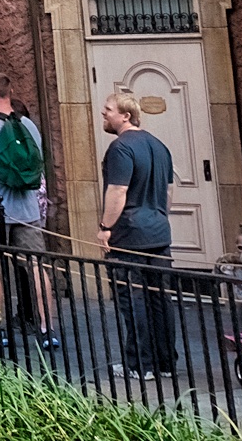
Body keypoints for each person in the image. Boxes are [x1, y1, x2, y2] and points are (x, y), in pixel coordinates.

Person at [0, 74, 54, 344]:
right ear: (11, 91)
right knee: (36, 265)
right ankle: (47, 328)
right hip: (26, 210)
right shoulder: (29, 126)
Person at [98, 89, 179, 379]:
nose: (103, 113)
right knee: (160, 298)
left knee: (133, 298)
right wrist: (159, 217)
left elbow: (118, 191)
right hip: (158, 231)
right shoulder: (159, 146)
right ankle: (166, 362)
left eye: (109, 109)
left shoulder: (120, 148)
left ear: (125, 115)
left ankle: (140, 364)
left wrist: (105, 228)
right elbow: (168, 192)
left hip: (130, 234)